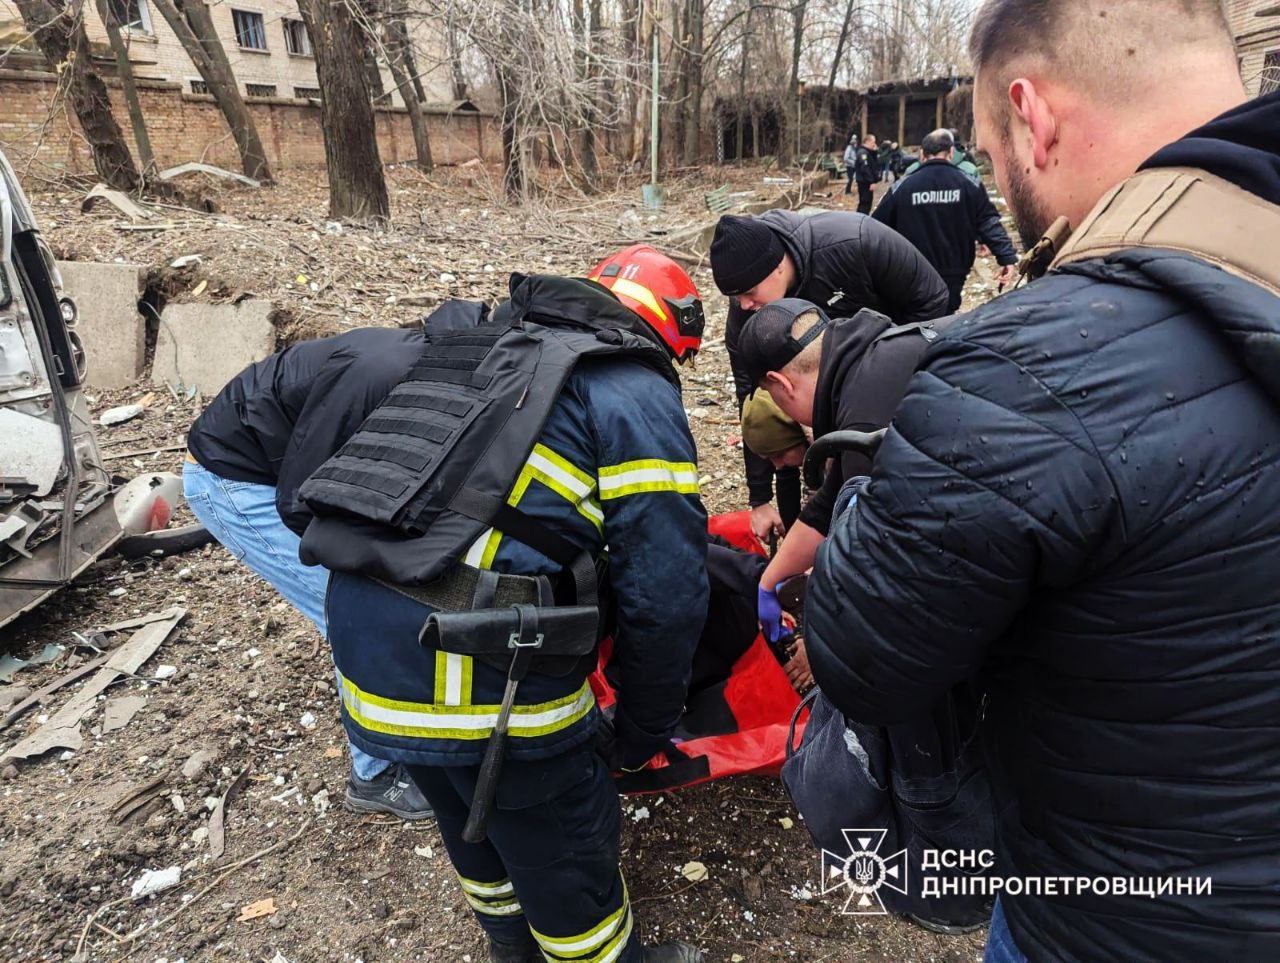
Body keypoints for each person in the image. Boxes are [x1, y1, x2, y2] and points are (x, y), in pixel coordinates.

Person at [804, 1, 1280, 959]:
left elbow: (862, 652)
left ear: (1032, 115)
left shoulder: (1031, 371)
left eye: (994, 151)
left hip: (1118, 917)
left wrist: (867, 490)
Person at [297, 247, 711, 963]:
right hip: (487, 668)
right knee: (563, 844)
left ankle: (511, 947)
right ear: (668, 337)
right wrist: (641, 726)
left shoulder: (477, 346)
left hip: (369, 650)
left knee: (469, 816)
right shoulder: (630, 389)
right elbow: (667, 588)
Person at [184, 326, 439, 821]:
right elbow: (300, 497)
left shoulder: (432, 365)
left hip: (280, 468)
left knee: (378, 604)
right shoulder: (380, 372)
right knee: (355, 617)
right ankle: (376, 775)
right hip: (239, 481)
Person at [708, 210, 948, 545]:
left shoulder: (854, 242)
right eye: (735, 297)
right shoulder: (748, 314)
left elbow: (933, 301)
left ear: (776, 265)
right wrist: (760, 498)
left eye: (748, 292)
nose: (744, 305)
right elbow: (751, 400)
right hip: (815, 394)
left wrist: (897, 382)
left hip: (886, 378)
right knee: (798, 456)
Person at [873, 128, 1019, 312]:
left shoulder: (903, 186)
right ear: (951, 153)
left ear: (921, 154)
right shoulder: (967, 184)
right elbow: (987, 220)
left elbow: (876, 226)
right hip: (954, 271)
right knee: (947, 314)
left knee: (915, 318)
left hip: (912, 270)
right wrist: (1006, 256)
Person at [853, 133, 882, 214]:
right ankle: (861, 220)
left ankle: (860, 219)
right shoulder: (862, 152)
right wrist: (871, 181)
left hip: (866, 181)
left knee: (866, 203)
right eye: (873, 142)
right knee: (865, 204)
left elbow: (874, 163)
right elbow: (865, 168)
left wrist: (875, 152)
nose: (874, 144)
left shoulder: (867, 152)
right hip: (865, 182)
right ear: (868, 141)